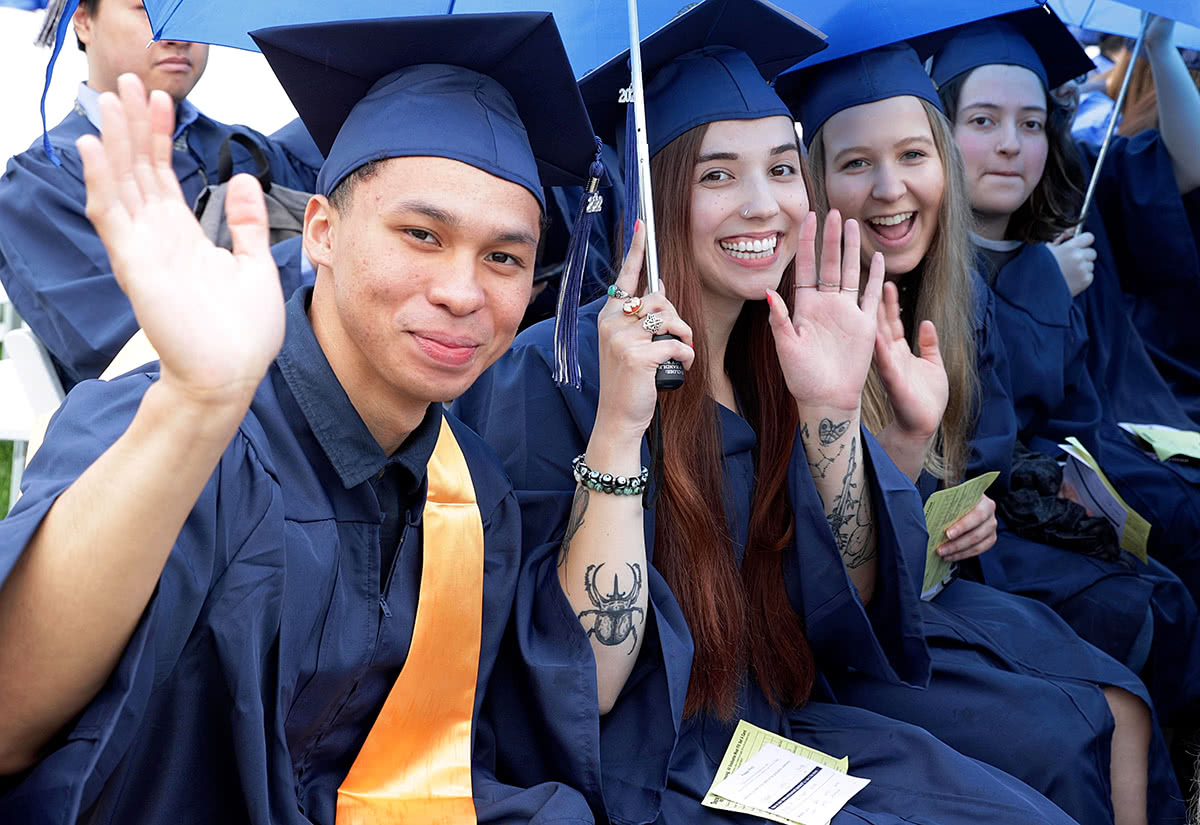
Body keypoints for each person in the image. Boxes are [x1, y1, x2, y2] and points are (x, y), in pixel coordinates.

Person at [456, 3, 1087, 824]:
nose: (765, 205)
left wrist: (830, 414)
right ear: (651, 195)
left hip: (776, 728)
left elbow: (848, 609)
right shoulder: (558, 371)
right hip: (651, 766)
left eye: (783, 168)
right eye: (718, 174)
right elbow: (590, 682)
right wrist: (618, 426)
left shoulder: (782, 344)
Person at [0, 12, 606, 824]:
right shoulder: (177, 433)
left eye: (504, 257)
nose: (464, 291)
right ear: (318, 230)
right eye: (421, 234)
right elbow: (8, 716)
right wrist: (194, 403)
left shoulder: (474, 495)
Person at [781, 40, 1182, 825]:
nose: (891, 188)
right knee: (1070, 730)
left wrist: (970, 514)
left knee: (1124, 701)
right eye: (856, 163)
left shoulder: (953, 298)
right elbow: (814, 573)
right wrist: (901, 456)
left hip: (931, 591)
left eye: (911, 154)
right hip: (838, 639)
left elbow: (977, 462)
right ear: (817, 181)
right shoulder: (792, 329)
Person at [930, 11, 1200, 618]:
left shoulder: (1073, 202)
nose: (1009, 143)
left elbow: (1191, 162)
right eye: (982, 120)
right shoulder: (915, 258)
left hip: (1102, 438)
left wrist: (1157, 43)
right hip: (992, 511)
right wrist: (1045, 288)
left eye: (1031, 123)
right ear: (935, 132)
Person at [0, 0, 320, 390]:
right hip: (179, 429)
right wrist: (312, 256)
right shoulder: (42, 182)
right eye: (146, 9)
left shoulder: (248, 151)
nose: (180, 37)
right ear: (83, 21)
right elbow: (120, 349)